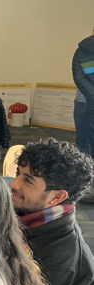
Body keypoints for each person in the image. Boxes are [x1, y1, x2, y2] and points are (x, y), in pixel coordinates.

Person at [9, 138, 94, 285]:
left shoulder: (65, 263)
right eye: (18, 174)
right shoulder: (25, 214)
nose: (13, 184)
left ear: (57, 197)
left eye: (27, 180)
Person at [72, 25, 94, 205]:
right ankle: (86, 180)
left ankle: (86, 181)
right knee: (83, 143)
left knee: (85, 143)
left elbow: (79, 77)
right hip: (84, 103)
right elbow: (78, 76)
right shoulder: (83, 50)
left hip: (84, 101)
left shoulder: (82, 49)